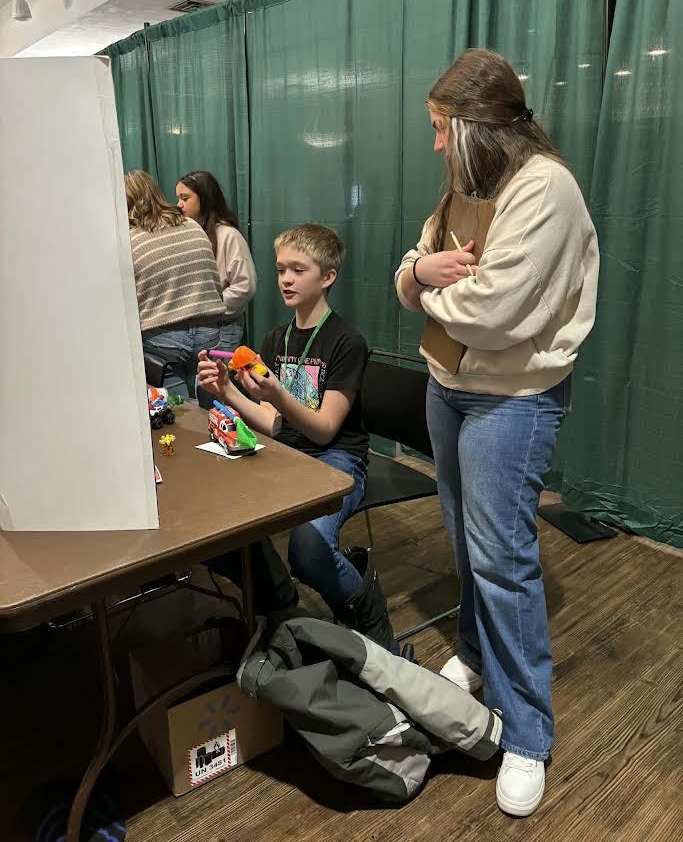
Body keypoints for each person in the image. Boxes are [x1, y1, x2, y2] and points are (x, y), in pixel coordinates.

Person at [394, 49, 599, 816]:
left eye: (442, 129)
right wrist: (423, 273)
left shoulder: (544, 188)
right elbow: (407, 273)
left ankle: (527, 733)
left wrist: (429, 281)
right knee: (464, 543)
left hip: (511, 399)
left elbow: (494, 311)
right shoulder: (466, 187)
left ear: (476, 127)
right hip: (448, 389)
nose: (437, 145)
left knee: (503, 561)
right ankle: (477, 658)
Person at [197, 223, 398, 652]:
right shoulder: (277, 338)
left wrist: (277, 394)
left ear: (327, 277)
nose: (285, 279)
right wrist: (227, 392)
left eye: (298, 269)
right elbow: (273, 425)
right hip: (290, 455)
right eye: (281, 269)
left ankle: (368, 616)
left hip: (338, 461)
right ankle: (277, 613)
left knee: (308, 549)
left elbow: (324, 429)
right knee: (224, 517)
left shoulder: (346, 342)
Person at [125, 170, 226, 398]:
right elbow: (214, 283)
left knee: (180, 414)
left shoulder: (130, 240)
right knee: (213, 409)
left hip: (162, 336)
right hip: (208, 331)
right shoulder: (192, 226)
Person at [176, 171, 256, 353]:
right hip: (195, 329)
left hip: (223, 328)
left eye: (185, 198)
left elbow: (245, 286)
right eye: (178, 198)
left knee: (215, 380)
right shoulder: (191, 235)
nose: (179, 205)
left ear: (204, 198)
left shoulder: (229, 236)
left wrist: (208, 306)